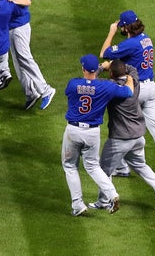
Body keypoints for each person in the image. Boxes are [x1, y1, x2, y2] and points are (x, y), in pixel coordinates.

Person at [101, 10, 155, 188]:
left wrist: (111, 31)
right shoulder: (146, 39)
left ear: (125, 27)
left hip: (136, 89)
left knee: (120, 123)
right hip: (152, 87)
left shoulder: (130, 43)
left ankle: (123, 166)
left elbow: (104, 53)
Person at [91, 59, 155, 212]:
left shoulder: (110, 88)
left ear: (112, 73)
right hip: (138, 136)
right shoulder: (134, 81)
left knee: (103, 170)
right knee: (140, 165)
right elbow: (132, 68)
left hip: (120, 139)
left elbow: (91, 79)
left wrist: (102, 66)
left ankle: (103, 201)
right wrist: (118, 67)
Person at [61, 54, 134, 216]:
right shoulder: (106, 87)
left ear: (83, 69)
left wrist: (99, 68)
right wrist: (129, 77)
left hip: (73, 131)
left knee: (70, 166)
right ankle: (112, 193)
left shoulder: (73, 84)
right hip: (92, 133)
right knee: (93, 166)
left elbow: (81, 88)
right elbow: (128, 92)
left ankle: (78, 204)